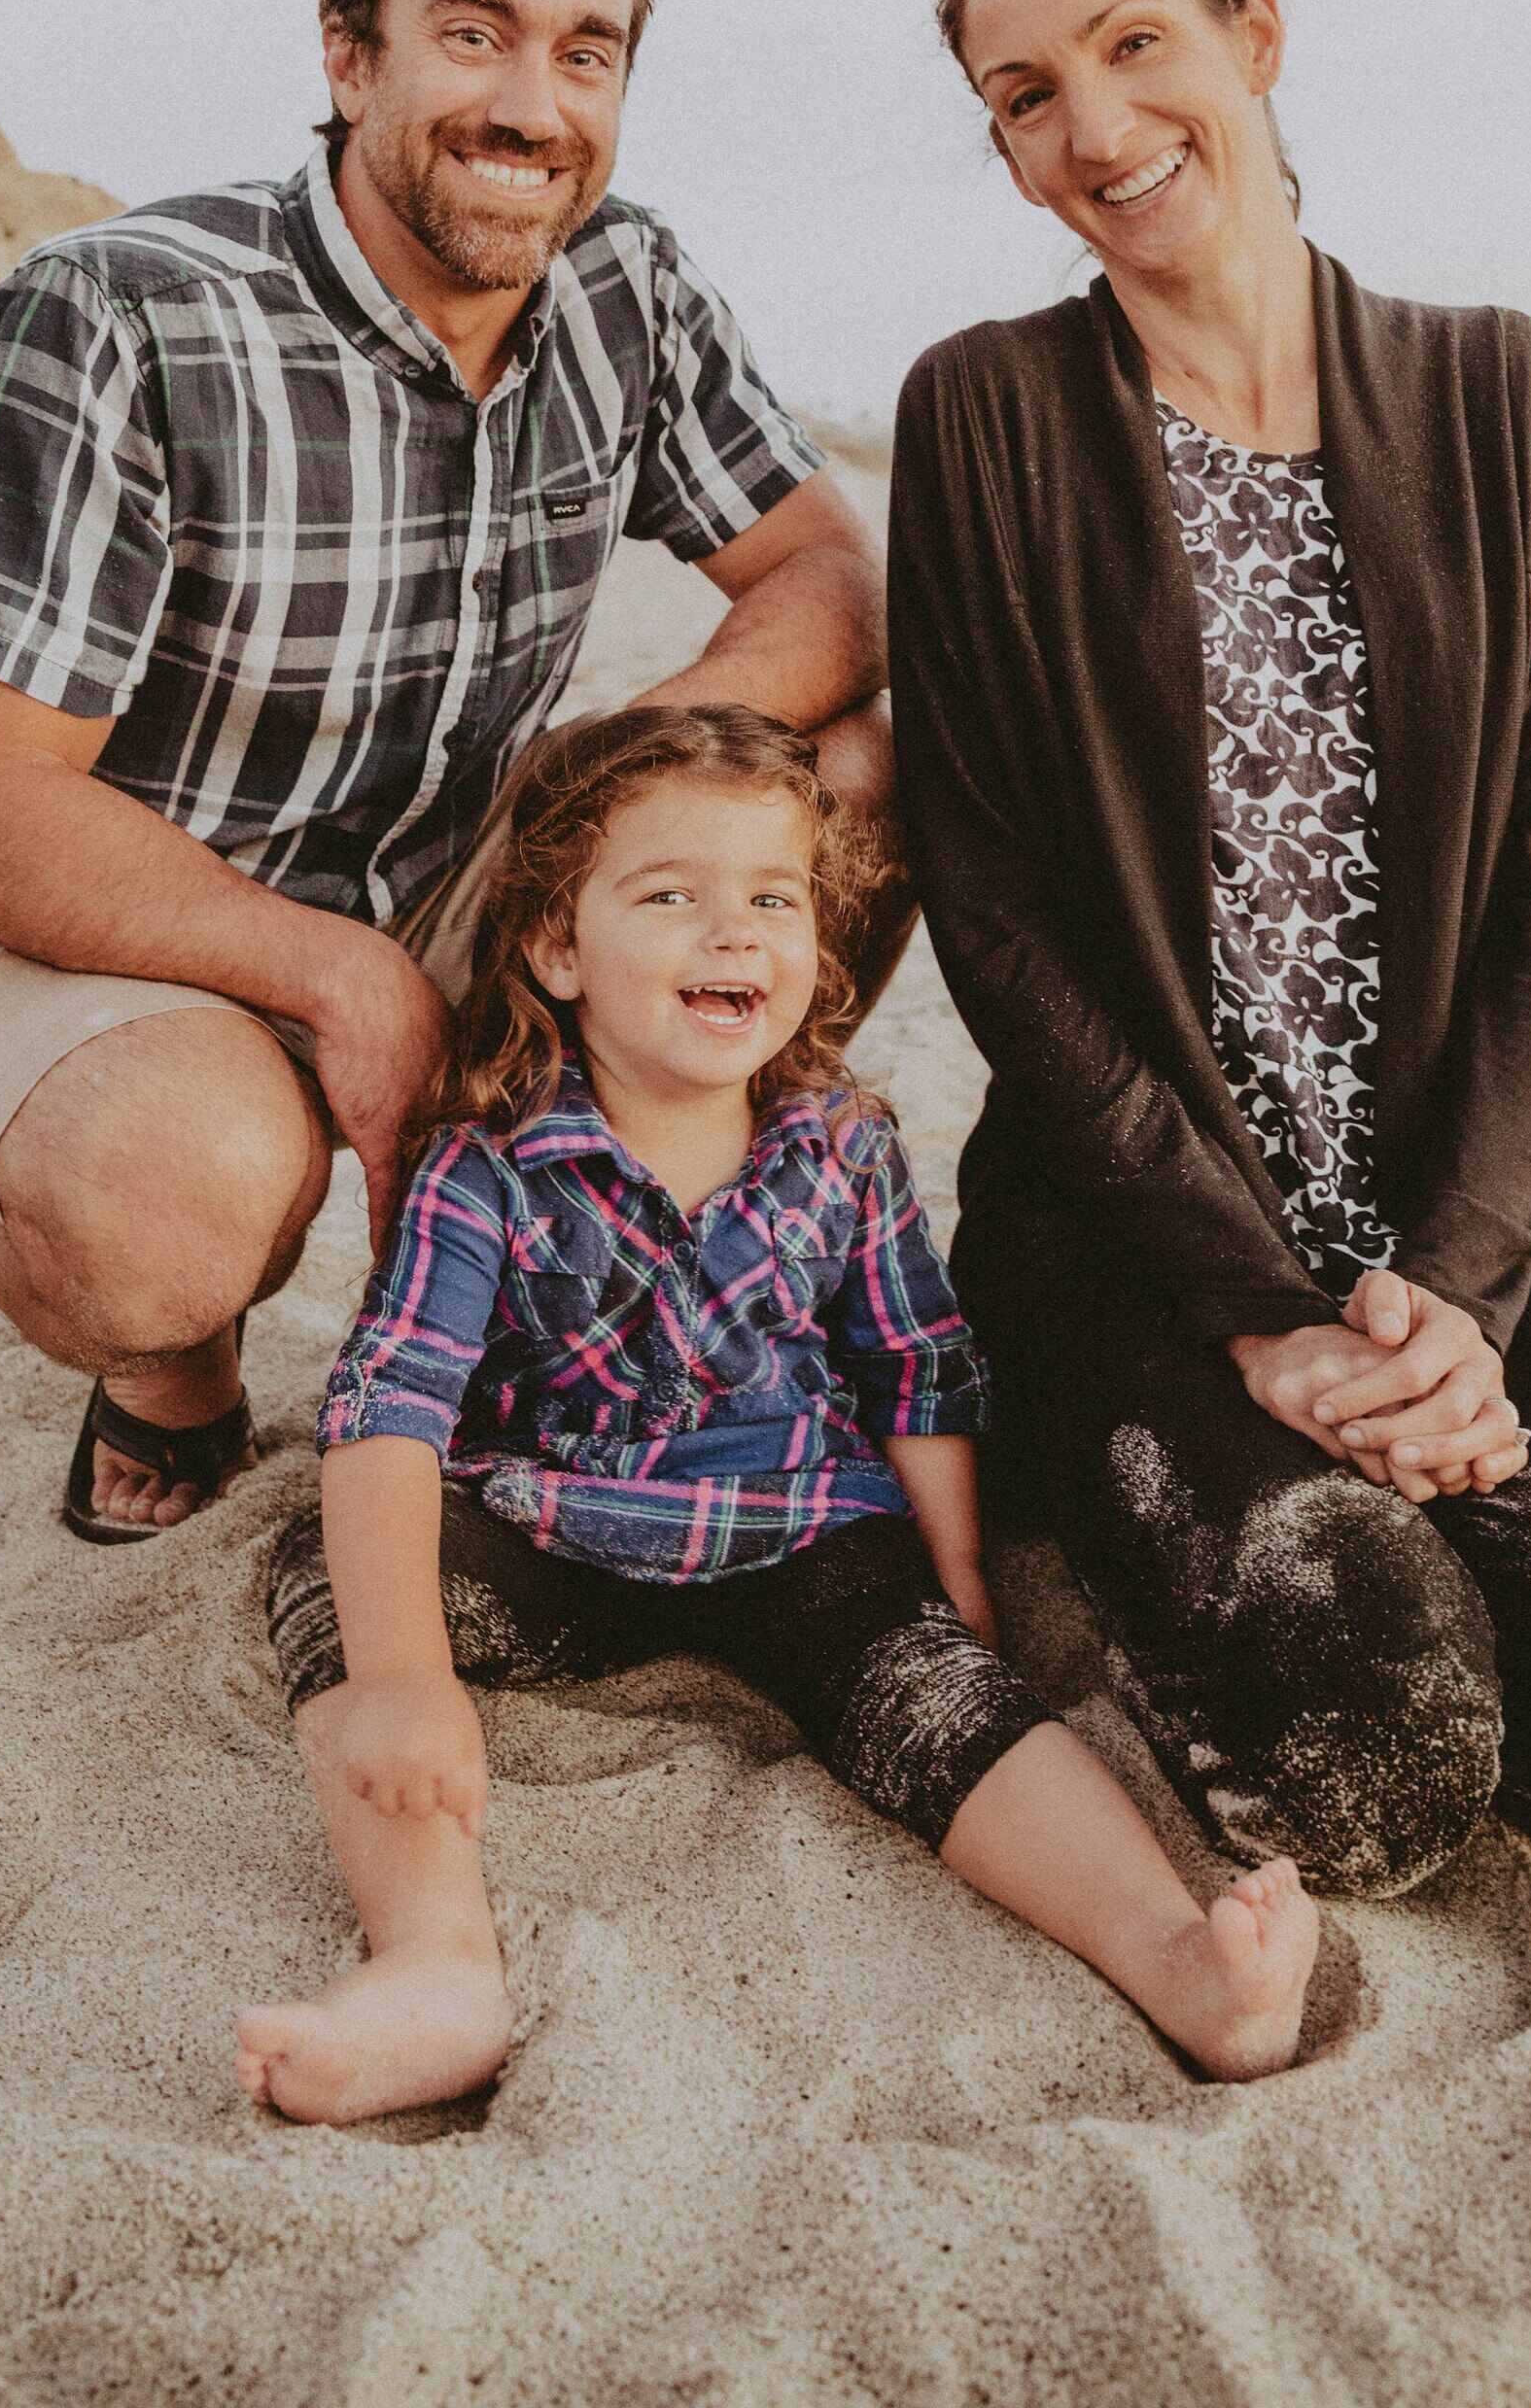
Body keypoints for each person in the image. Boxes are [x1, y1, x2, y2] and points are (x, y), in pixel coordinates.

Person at [886, 0, 1531, 1899]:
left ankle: (1442, 1420)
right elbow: (991, 905)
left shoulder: (1506, 389)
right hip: (1141, 1223)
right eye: (1023, 96)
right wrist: (1267, 1317)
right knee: (1380, 1745)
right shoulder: (988, 415)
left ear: (1252, 35)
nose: (1092, 129)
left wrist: (1451, 1294)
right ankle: (1202, 1483)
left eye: (1131, 46)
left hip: (1481, 1202)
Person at [0, 0, 906, 1541]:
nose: (532, 102)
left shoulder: (627, 285)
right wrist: (347, 982)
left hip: (471, 880)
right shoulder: (117, 310)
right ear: (353, 58)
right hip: (142, 935)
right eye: (471, 34)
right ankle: (170, 1375)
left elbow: (826, 570)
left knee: (869, 777)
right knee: (170, 1205)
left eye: (586, 52)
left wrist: (637, 754)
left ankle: (634, 1277)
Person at [233, 702, 1318, 2122]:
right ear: (560, 948)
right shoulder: (483, 1169)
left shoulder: (844, 1150)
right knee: (336, 1578)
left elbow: (917, 1367)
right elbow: (390, 1409)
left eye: (773, 901)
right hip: (555, 1519)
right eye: (671, 898)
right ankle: (437, 1962)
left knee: (951, 1706)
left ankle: (1180, 1961)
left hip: (803, 1534)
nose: (733, 934)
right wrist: (403, 1682)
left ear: (819, 941)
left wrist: (962, 1594)